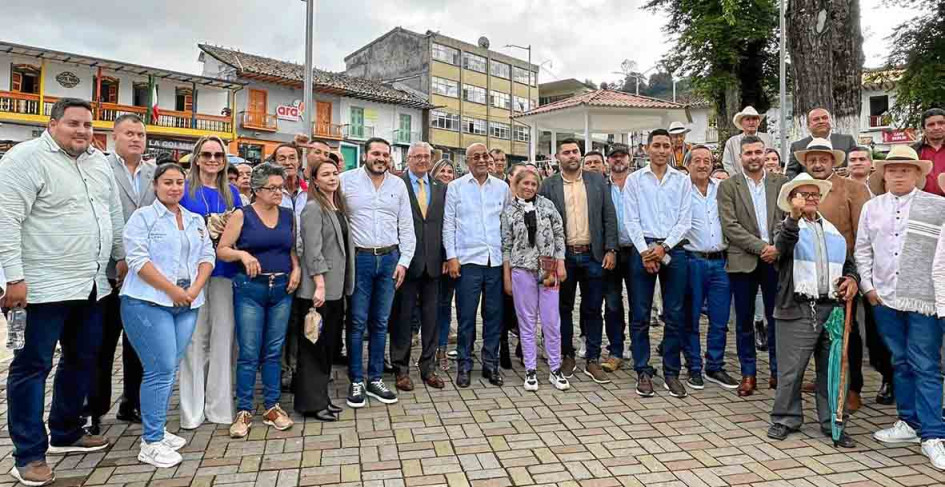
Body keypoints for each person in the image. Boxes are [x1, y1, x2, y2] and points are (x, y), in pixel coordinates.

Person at [0, 98, 123, 486]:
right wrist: (12, 278)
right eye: (74, 124)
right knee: (32, 368)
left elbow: (112, 212)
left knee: (82, 358)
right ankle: (28, 453)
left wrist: (119, 256)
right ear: (53, 124)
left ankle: (66, 431)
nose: (83, 131)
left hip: (91, 284)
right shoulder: (26, 158)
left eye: (88, 125)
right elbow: (5, 219)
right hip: (39, 287)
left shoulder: (98, 162)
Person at [119, 162, 216, 467]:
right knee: (159, 369)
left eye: (179, 183)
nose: (174, 188)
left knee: (168, 368)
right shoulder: (143, 217)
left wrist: (193, 289)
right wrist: (172, 290)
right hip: (148, 302)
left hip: (187, 303)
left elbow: (206, 255)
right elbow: (137, 259)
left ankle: (157, 429)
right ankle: (150, 442)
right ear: (156, 186)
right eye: (168, 182)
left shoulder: (194, 219)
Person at [858, 145, 945, 469]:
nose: (898, 174)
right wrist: (868, 287)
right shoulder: (873, 208)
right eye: (892, 170)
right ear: (883, 175)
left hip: (924, 299)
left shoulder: (938, 207)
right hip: (885, 298)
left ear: (919, 175)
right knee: (900, 361)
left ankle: (934, 434)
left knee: (925, 364)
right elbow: (863, 249)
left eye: (905, 170)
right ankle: (909, 422)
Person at [766, 173, 858, 448]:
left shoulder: (833, 231)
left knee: (832, 369)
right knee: (791, 370)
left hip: (832, 309)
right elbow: (781, 249)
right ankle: (785, 418)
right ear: (791, 199)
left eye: (814, 194)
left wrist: (852, 280)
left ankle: (834, 422)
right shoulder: (784, 227)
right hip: (796, 307)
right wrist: (793, 218)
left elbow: (848, 263)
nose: (810, 198)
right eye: (803, 194)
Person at [217, 163, 299, 437]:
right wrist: (243, 255)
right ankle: (244, 410)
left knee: (274, 351)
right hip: (251, 288)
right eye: (272, 188)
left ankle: (273, 406)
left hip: (281, 289)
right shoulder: (243, 215)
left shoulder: (288, 215)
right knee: (249, 352)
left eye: (281, 187)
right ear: (257, 190)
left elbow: (291, 249)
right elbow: (223, 250)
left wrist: (296, 268)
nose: (278, 192)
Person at [792, 138, 871, 411]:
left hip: (843, 271)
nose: (817, 163)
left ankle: (852, 388)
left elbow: (863, 234)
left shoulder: (854, 189)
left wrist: (855, 274)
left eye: (823, 159)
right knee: (818, 332)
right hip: (810, 275)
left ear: (833, 161)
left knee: (849, 331)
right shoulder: (801, 190)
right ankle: (825, 378)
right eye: (812, 159)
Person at [87, 114, 152, 435]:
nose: (136, 138)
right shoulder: (99, 168)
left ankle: (133, 401)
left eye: (140, 133)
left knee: (137, 343)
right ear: (115, 137)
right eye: (129, 133)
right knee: (101, 342)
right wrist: (120, 256)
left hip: (144, 274)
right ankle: (95, 409)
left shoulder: (155, 174)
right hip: (109, 272)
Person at [339, 137, 415, 406]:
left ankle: (374, 379)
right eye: (376, 153)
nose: (381, 158)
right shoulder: (346, 180)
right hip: (359, 260)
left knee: (381, 322)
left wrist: (404, 261)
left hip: (389, 259)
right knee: (357, 322)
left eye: (385, 154)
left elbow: (406, 225)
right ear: (365, 155)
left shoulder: (398, 185)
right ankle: (356, 380)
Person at [539, 138, 618, 384]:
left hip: (594, 256)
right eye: (566, 152)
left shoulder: (597, 181)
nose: (572, 155)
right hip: (563, 257)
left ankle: (592, 359)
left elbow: (609, 216)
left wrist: (611, 249)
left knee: (593, 308)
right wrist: (548, 261)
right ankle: (567, 355)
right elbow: (543, 224)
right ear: (557, 157)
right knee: (562, 308)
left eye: (575, 151)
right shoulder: (548, 185)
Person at [178, 135, 243, 430]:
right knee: (193, 339)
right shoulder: (184, 190)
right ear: (197, 157)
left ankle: (219, 406)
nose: (213, 160)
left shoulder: (232, 194)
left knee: (224, 337)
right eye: (207, 154)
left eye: (218, 155)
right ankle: (191, 410)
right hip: (191, 273)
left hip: (225, 273)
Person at [718, 135, 787, 396]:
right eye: (749, 153)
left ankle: (777, 373)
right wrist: (762, 248)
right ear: (740, 157)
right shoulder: (729, 187)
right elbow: (730, 226)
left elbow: (788, 220)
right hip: (743, 261)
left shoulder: (781, 183)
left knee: (776, 319)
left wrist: (777, 248)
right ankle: (748, 374)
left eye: (759, 152)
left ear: (765, 154)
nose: (754, 157)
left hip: (776, 261)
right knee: (745, 321)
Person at [624, 129, 691, 397]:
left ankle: (671, 371)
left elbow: (685, 221)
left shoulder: (682, 180)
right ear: (646, 149)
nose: (662, 150)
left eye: (666, 145)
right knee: (640, 314)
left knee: (674, 314)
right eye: (657, 145)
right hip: (643, 247)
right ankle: (642, 369)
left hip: (673, 248)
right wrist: (644, 252)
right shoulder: (634, 180)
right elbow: (631, 220)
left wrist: (662, 248)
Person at [443, 143, 510, 387]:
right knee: (466, 316)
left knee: (493, 316)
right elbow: (448, 224)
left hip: (494, 260)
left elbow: (507, 225)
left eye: (485, 156)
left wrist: (507, 261)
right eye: (476, 157)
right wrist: (452, 257)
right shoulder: (455, 187)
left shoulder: (502, 188)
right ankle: (464, 364)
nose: (482, 160)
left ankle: (490, 364)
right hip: (467, 261)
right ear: (467, 161)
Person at [295, 157, 354, 421]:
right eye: (326, 174)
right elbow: (312, 250)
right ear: (315, 180)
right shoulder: (312, 208)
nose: (332, 177)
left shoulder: (336, 206)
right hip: (318, 290)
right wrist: (319, 284)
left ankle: (322, 398)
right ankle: (311, 403)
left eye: (335, 173)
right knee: (313, 348)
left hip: (336, 289)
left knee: (327, 347)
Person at [502, 169, 569, 391]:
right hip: (522, 270)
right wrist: (507, 276)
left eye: (533, 184)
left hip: (548, 269)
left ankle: (555, 368)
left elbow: (559, 234)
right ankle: (530, 369)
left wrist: (561, 262)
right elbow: (506, 245)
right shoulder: (510, 211)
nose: (529, 187)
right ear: (516, 184)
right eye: (525, 183)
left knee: (551, 321)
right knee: (527, 322)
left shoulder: (548, 206)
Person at [389, 142, 447, 390]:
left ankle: (428, 367)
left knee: (431, 319)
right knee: (402, 318)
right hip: (406, 262)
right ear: (408, 159)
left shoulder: (441, 187)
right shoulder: (396, 184)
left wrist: (446, 256)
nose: (422, 160)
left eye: (426, 156)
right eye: (417, 156)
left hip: (434, 263)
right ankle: (400, 369)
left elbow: (446, 225)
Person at [681, 145, 739, 390]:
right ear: (688, 164)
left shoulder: (722, 189)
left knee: (719, 318)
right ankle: (694, 367)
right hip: (691, 260)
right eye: (698, 161)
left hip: (720, 262)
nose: (703, 165)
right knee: (690, 317)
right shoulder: (680, 190)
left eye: (707, 160)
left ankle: (715, 365)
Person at [846, 145, 894, 404]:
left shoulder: (882, 190)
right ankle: (853, 385)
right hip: (851, 266)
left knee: (879, 333)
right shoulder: (841, 188)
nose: (857, 163)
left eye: (862, 159)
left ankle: (888, 377)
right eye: (853, 159)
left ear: (871, 164)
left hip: (881, 269)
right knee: (851, 330)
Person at [271, 142, 307, 392]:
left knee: (301, 319)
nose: (287, 162)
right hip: (280, 264)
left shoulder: (309, 190)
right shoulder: (269, 192)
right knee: (282, 321)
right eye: (281, 158)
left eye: (292, 157)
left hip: (307, 264)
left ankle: (298, 369)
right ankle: (281, 370)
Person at [601, 144, 634, 373]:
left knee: (639, 305)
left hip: (636, 251)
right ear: (608, 161)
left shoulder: (640, 183)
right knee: (612, 305)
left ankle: (639, 349)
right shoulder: (601, 186)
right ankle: (616, 351)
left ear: (629, 159)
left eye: (622, 156)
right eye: (614, 157)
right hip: (610, 252)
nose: (618, 160)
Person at [431, 159, 458, 369]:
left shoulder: (457, 195)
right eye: (443, 171)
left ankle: (441, 350)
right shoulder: (431, 194)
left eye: (450, 171)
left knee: (444, 306)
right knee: (429, 307)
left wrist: (450, 257)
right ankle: (429, 350)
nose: (447, 174)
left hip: (452, 260)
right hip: (432, 259)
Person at [786, 108, 858, 178]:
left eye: (824, 118)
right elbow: (791, 172)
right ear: (808, 125)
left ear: (831, 121)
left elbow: (858, 162)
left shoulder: (847, 140)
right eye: (816, 119)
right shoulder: (798, 146)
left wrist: (850, 169)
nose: (821, 121)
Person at [722, 106, 775, 176]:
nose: (751, 122)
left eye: (754, 119)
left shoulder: (768, 139)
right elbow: (727, 165)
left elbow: (773, 160)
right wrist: (738, 181)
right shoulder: (732, 142)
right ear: (741, 123)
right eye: (747, 119)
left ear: (759, 122)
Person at [915, 108, 945, 197]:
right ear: (923, 129)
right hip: (922, 204)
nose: (936, 127)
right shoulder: (914, 151)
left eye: (941, 123)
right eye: (931, 124)